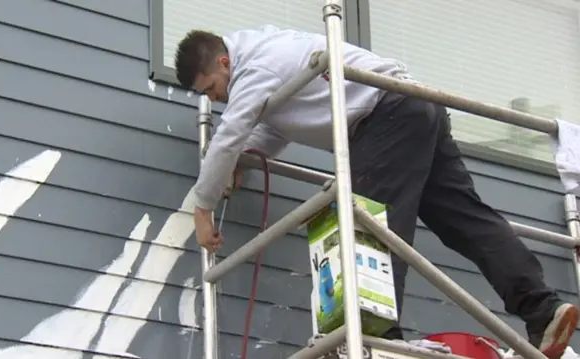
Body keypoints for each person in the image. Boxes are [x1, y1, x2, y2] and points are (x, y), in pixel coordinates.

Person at [173, 25, 578, 359]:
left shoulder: (254, 65)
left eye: (212, 88)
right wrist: (238, 163)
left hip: (385, 115)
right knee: (466, 221)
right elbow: (265, 131)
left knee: (368, 224)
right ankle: (542, 309)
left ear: (224, 62)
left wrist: (203, 207)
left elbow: (229, 134)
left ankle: (374, 340)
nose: (216, 99)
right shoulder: (271, 52)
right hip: (419, 107)